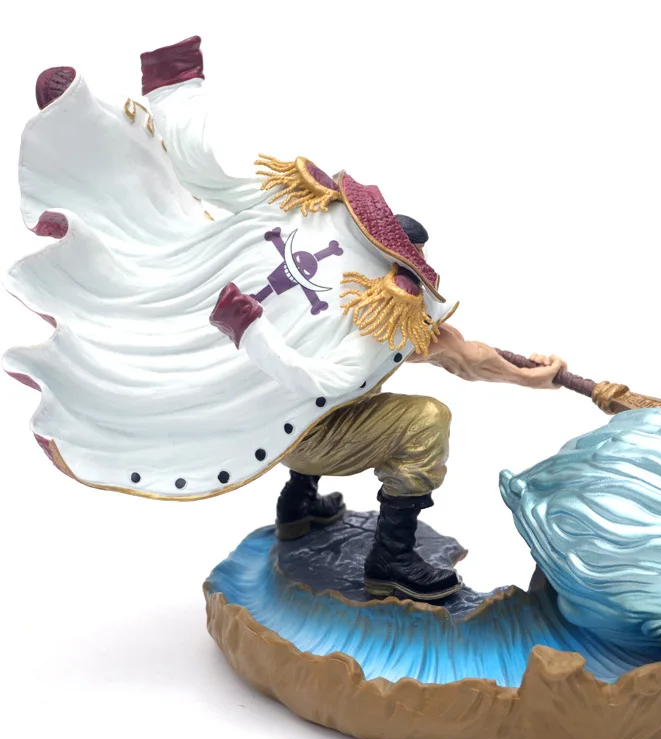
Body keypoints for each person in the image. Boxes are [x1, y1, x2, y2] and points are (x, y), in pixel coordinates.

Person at [17, 37, 566, 603]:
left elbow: (205, 168)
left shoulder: (326, 236)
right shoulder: (373, 295)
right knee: (425, 420)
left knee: (343, 386)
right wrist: (252, 333)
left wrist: (174, 88)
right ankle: (392, 559)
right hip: (290, 431)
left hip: (277, 417)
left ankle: (298, 504)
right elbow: (336, 378)